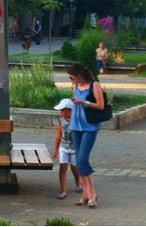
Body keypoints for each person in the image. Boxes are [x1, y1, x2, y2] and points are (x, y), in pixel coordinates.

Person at [67, 63, 105, 208]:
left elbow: (100, 105)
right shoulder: (76, 86)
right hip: (76, 126)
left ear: (79, 75)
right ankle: (85, 194)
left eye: (72, 77)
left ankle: (92, 193)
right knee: (78, 160)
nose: (71, 79)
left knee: (83, 159)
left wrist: (84, 102)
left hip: (89, 127)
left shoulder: (94, 85)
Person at [52, 98, 82, 200]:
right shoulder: (61, 120)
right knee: (62, 168)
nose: (61, 112)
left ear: (70, 111)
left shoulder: (77, 121)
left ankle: (78, 182)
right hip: (63, 148)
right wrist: (56, 149)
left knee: (75, 168)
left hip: (74, 149)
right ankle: (63, 190)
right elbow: (58, 136)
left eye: (63, 110)